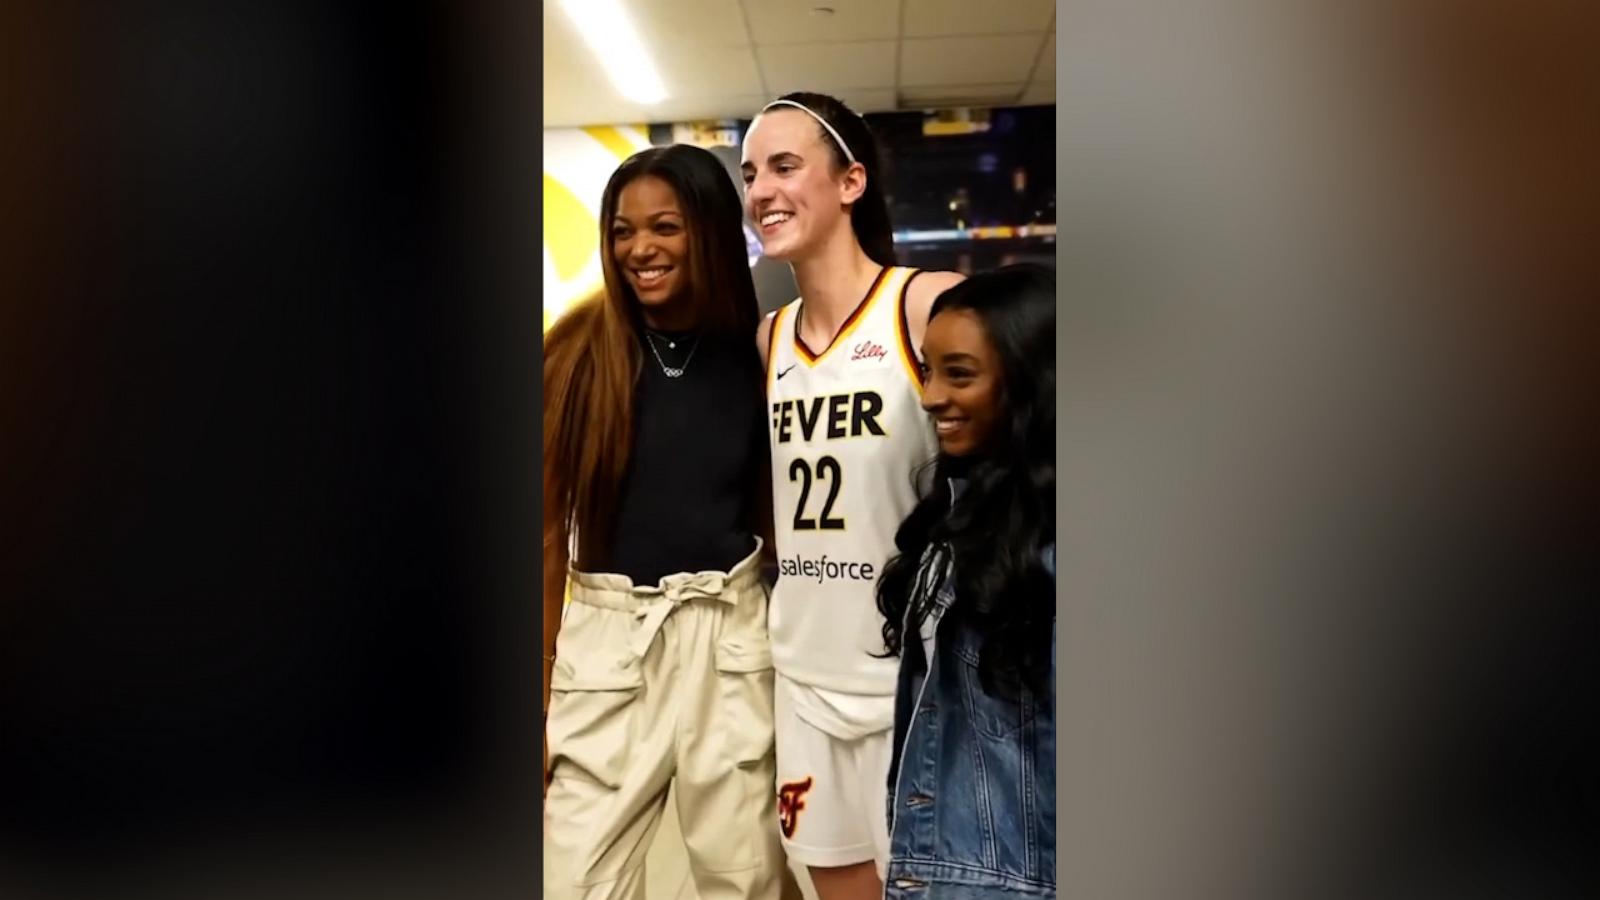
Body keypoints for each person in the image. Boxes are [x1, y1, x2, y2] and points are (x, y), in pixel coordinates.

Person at [740, 91, 965, 900]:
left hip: (917, 681)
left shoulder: (923, 304)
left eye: (786, 166)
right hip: (801, 676)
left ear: (850, 181)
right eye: (750, 174)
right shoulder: (768, 341)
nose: (761, 190)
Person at [541, 143, 781, 900]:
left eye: (665, 227)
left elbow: (779, 529)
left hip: (733, 637)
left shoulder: (766, 354)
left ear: (709, 230)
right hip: (608, 649)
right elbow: (543, 538)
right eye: (621, 230)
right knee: (573, 880)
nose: (640, 248)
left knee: (744, 882)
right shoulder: (576, 353)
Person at [875, 264, 1057, 899]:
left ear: (1030, 380)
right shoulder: (953, 521)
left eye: (960, 374)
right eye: (928, 371)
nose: (929, 396)